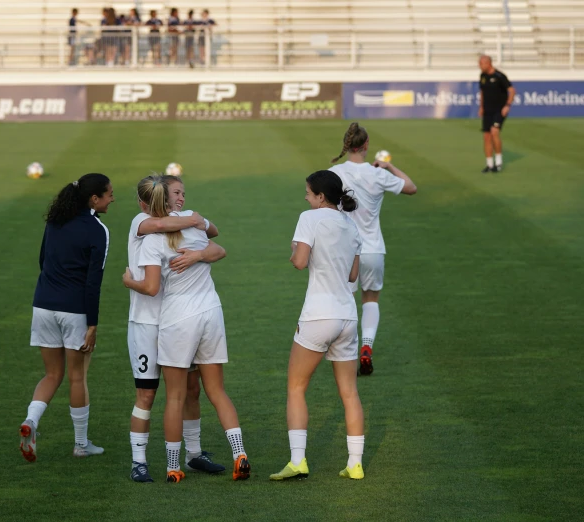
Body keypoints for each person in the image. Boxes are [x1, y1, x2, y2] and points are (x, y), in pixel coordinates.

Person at [123, 179, 250, 484]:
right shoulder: (152, 223)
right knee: (185, 392)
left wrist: (128, 281)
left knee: (182, 394)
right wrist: (196, 225)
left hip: (176, 320)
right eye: (177, 194)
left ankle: (180, 462)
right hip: (180, 318)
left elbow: (155, 285)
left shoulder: (162, 235)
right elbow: (215, 242)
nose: (182, 199)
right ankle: (237, 454)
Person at [269, 170, 365, 481]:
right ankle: (355, 464)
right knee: (349, 393)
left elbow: (299, 261)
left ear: (320, 197)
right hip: (348, 317)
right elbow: (352, 276)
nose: (306, 198)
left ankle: (298, 461)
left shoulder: (309, 218)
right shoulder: (351, 225)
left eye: (309, 193)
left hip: (318, 316)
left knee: (296, 387)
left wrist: (295, 254)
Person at [19, 174, 114, 463]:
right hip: (75, 311)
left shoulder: (55, 221)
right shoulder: (98, 230)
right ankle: (81, 445)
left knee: (51, 374)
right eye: (108, 194)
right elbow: (93, 282)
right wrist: (93, 324)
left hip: (43, 305)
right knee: (77, 376)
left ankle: (31, 422)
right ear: (93, 199)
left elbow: (42, 261)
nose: (112, 198)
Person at [328, 122, 417, 376]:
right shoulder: (378, 174)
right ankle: (366, 347)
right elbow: (411, 187)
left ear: (347, 145)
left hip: (345, 250)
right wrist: (388, 165)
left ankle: (344, 350)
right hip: (373, 249)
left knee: (345, 300)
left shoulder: (334, 172)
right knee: (371, 299)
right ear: (366, 145)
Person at [478, 55, 515, 173]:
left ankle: (498, 163)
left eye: (481, 64)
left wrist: (507, 105)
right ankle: (489, 164)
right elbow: (482, 92)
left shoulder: (499, 76)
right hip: (487, 110)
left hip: (499, 110)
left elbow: (512, 91)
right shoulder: (482, 76)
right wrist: (481, 107)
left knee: (495, 132)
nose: (480, 66)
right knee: (486, 137)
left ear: (488, 63)